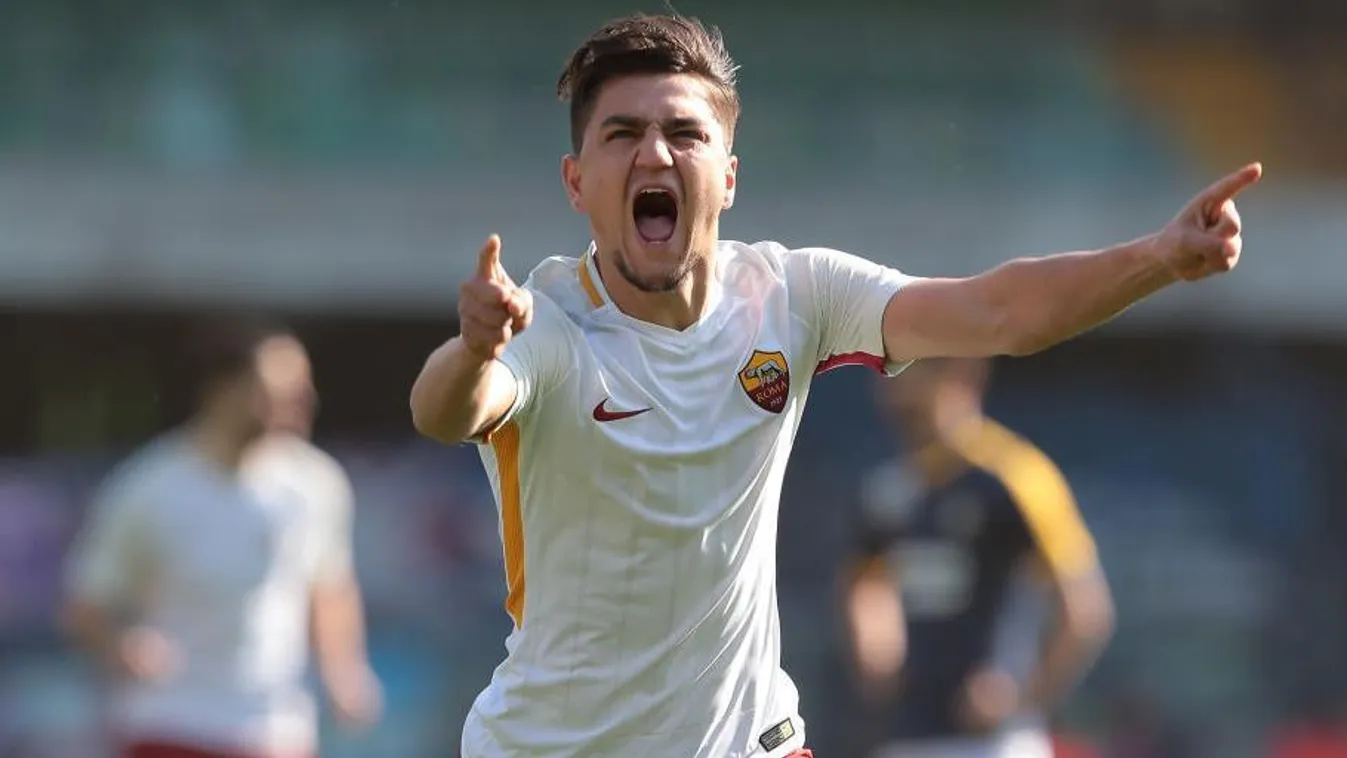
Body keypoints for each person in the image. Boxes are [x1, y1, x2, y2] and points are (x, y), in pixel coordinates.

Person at [407, 12, 1260, 758]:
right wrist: (477, 350)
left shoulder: (791, 294)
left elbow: (998, 312)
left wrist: (1156, 258)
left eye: (685, 133)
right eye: (621, 134)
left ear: (729, 177)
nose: (655, 152)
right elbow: (447, 409)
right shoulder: (546, 321)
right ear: (577, 182)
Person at [63, 319, 380, 758]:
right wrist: (121, 646)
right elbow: (88, 603)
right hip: (170, 719)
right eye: (281, 387)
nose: (301, 401)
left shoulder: (315, 484)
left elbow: (329, 587)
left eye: (303, 388)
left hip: (274, 727)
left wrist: (345, 671)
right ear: (222, 390)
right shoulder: (148, 487)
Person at [844, 358, 1114, 758]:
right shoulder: (888, 490)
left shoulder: (1015, 478)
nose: (887, 385)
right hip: (906, 736)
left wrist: (1021, 699)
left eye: (903, 369)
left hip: (991, 744)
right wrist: (876, 647)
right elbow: (864, 580)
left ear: (958, 373)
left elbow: (1085, 612)